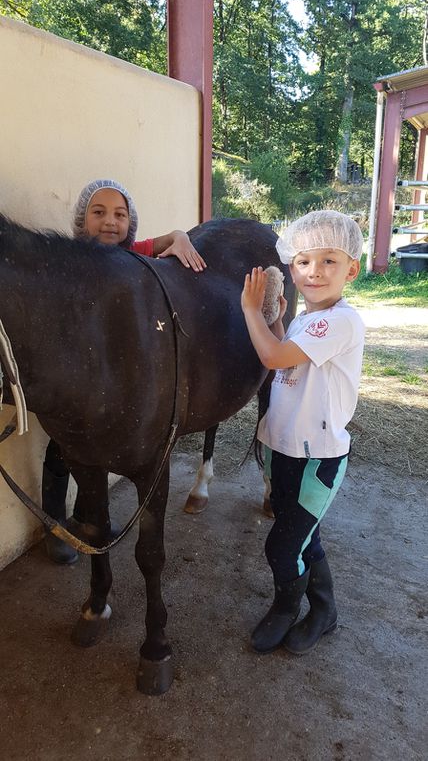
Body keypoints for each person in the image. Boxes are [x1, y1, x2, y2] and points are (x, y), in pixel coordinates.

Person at [43, 179, 206, 564]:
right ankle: (55, 527)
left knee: (94, 453)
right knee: (61, 451)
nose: (110, 222)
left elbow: (164, 241)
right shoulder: (70, 263)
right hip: (73, 382)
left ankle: (87, 518)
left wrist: (180, 237)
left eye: (120, 214)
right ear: (82, 219)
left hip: (110, 383)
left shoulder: (133, 255)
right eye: (98, 213)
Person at [241, 209, 365, 656]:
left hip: (318, 457)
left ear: (352, 268)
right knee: (304, 535)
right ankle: (324, 610)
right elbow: (285, 350)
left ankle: (285, 608)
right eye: (304, 261)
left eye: (329, 261)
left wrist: (251, 310)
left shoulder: (341, 321)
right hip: (283, 448)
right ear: (292, 268)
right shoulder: (308, 319)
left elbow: (274, 358)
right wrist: (275, 316)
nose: (315, 271)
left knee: (283, 543)